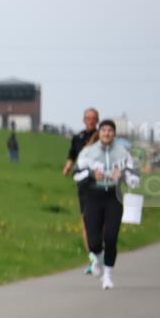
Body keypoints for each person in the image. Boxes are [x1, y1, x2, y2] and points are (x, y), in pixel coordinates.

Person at [73, 119, 139, 290]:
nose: (107, 133)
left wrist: (123, 175)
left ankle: (108, 276)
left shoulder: (123, 153)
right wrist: (91, 174)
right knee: (94, 240)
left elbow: (135, 179)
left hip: (113, 197)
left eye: (110, 130)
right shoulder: (88, 152)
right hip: (93, 196)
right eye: (104, 130)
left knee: (111, 237)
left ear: (114, 134)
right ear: (99, 132)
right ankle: (98, 256)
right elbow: (76, 175)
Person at [62, 108, 99, 273]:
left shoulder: (103, 137)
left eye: (93, 118)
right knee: (86, 221)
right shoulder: (78, 138)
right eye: (88, 118)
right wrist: (67, 167)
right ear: (84, 120)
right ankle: (93, 257)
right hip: (84, 185)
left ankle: (100, 251)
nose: (90, 121)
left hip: (101, 184)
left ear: (97, 120)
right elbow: (72, 155)